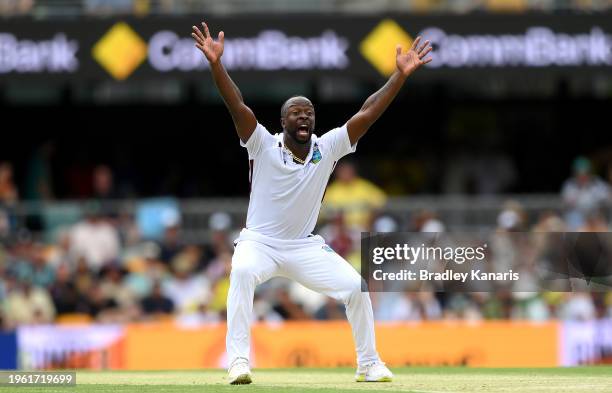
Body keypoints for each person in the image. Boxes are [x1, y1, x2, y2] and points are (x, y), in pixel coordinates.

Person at [192, 21, 432, 385]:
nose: (303, 116)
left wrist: (398, 77)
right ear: (282, 121)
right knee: (241, 273)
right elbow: (236, 104)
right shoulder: (262, 144)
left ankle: (369, 364)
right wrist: (215, 65)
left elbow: (366, 113)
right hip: (259, 242)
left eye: (308, 112)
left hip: (304, 246)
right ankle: (238, 361)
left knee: (356, 287)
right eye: (295, 112)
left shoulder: (327, 147)